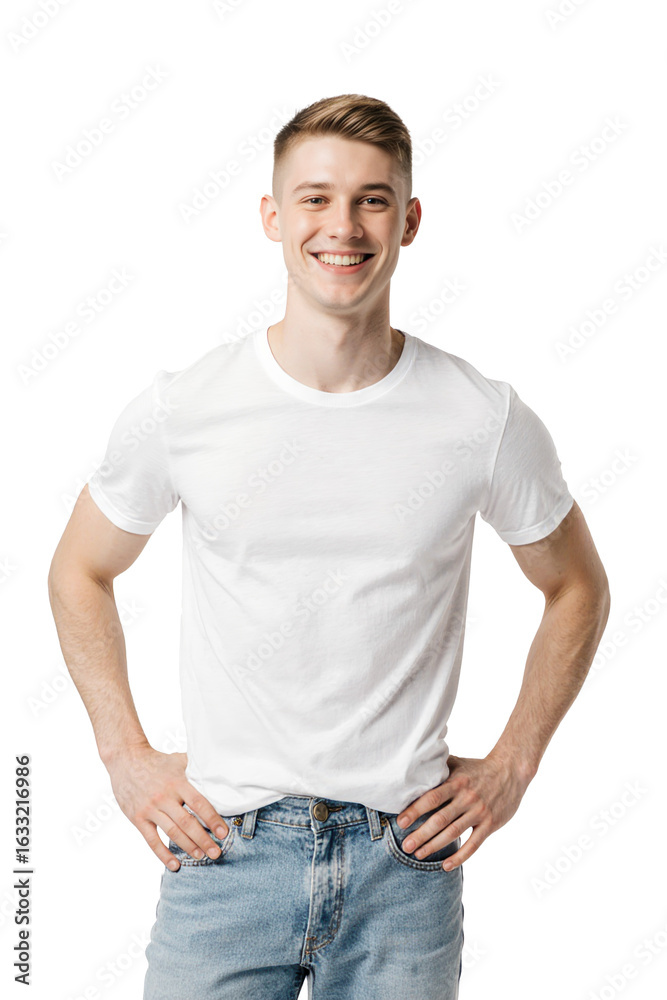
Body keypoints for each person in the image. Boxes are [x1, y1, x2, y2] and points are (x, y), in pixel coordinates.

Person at [47, 93, 610, 1000]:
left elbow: (576, 586)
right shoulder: (186, 408)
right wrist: (124, 756)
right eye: (314, 198)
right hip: (224, 852)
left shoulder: (481, 417)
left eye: (370, 200)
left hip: (405, 864)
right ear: (272, 218)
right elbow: (79, 569)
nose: (341, 226)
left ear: (408, 220)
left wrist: (513, 764)